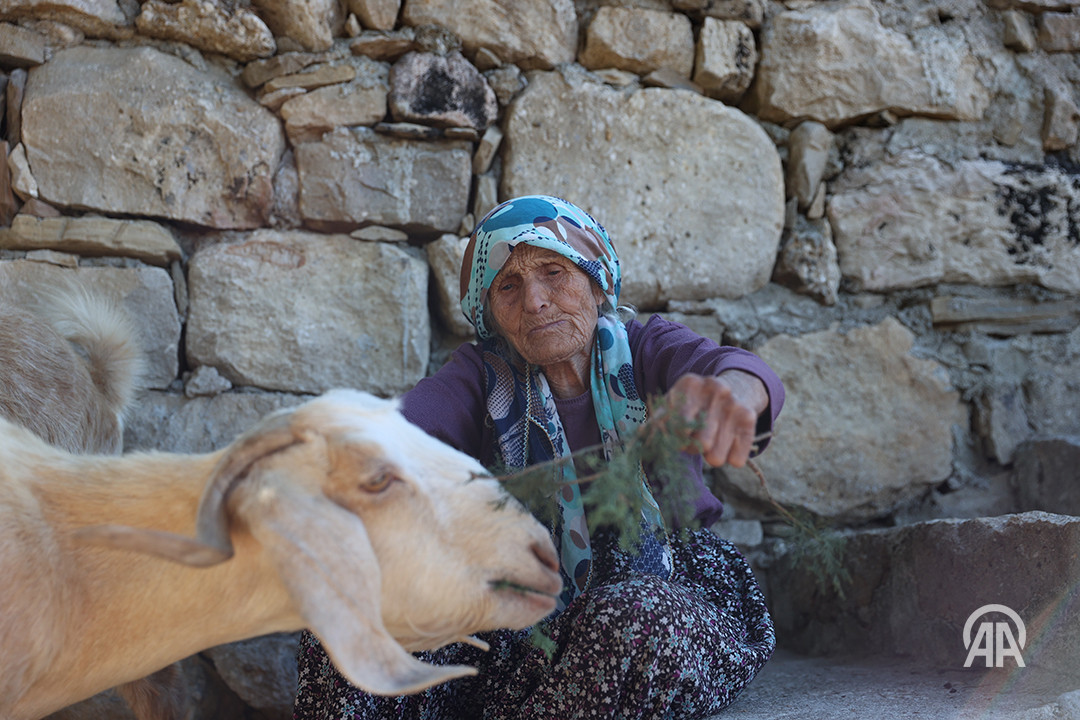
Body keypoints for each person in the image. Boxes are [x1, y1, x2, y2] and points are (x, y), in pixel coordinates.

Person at [292, 195, 784, 720]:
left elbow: (737, 371)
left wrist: (731, 395)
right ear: (492, 314)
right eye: (509, 286)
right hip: (519, 620)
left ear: (597, 283)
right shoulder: (483, 377)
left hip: (665, 590)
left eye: (554, 271)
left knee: (633, 619)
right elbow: (408, 428)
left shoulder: (646, 349)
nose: (535, 301)